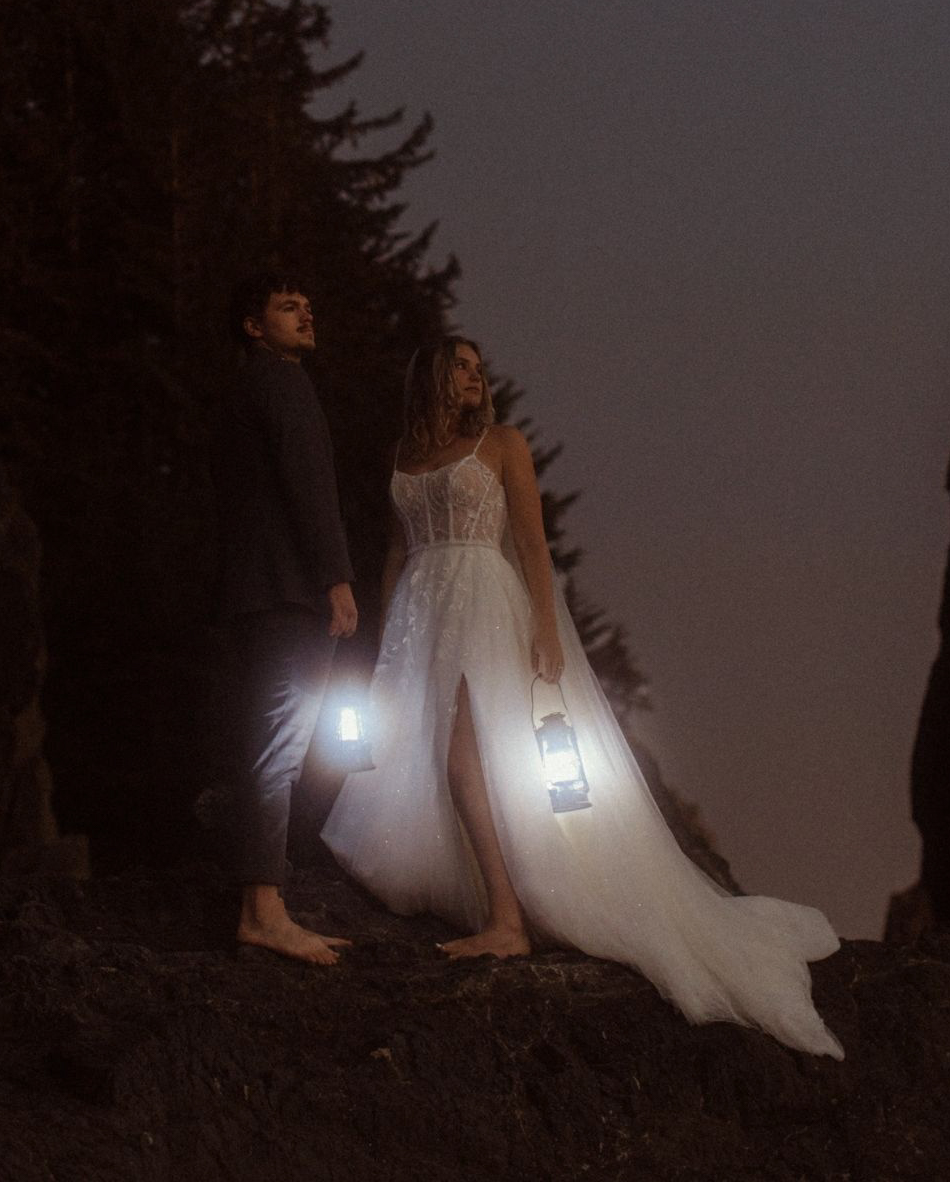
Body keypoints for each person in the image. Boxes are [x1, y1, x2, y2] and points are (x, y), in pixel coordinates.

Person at [321, 337, 844, 1058]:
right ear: (434, 376)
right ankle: (496, 901)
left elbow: (533, 546)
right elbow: (393, 553)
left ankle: (507, 919)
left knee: (465, 760)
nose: (476, 376)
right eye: (462, 366)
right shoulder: (402, 457)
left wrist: (545, 628)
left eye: (480, 367)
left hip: (482, 602)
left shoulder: (501, 444)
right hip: (420, 615)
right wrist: (385, 643)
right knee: (431, 758)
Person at [214, 269, 359, 965]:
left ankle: (263, 902)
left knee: (269, 745)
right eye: (286, 306)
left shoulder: (244, 387)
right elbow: (308, 486)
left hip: (254, 592)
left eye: (308, 303)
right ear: (254, 324)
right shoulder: (281, 382)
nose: (305, 314)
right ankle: (262, 910)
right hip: (285, 593)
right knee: (277, 749)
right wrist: (335, 578)